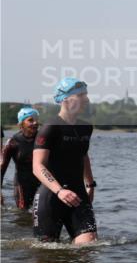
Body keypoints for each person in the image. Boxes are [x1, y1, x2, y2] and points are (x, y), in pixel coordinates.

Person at [32, 78, 98, 244]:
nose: (87, 99)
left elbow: (83, 155)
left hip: (78, 194)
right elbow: (37, 166)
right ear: (66, 99)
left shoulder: (86, 127)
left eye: (86, 95)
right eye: (81, 95)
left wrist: (90, 184)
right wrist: (60, 190)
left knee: (89, 248)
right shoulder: (50, 127)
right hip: (51, 196)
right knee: (47, 256)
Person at [2, 108, 42, 210]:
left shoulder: (44, 139)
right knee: (23, 215)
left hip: (42, 182)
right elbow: (2, 168)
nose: (35, 123)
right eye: (30, 120)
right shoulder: (13, 142)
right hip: (22, 184)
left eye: (36, 119)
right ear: (21, 124)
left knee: (43, 211)